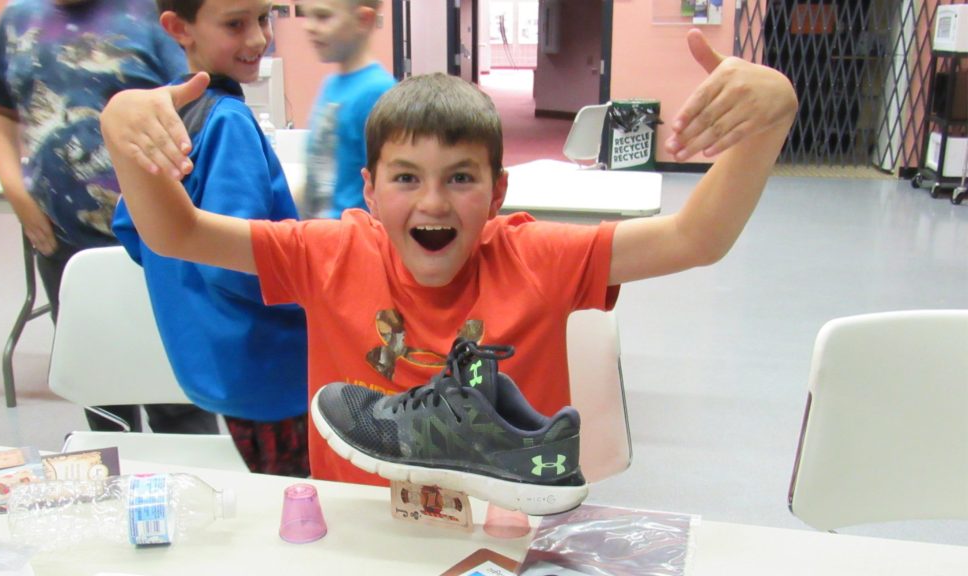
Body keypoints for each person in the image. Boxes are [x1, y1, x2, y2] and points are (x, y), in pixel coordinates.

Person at [99, 29, 798, 486]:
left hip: (508, 524)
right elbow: (177, 235)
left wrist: (772, 117)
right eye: (406, 178)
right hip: (360, 531)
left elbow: (694, 239)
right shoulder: (332, 253)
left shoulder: (536, 256)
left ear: (497, 192)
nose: (433, 203)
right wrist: (124, 129)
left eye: (460, 178)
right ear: (368, 190)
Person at [0, 0, 219, 435]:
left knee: (177, 399)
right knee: (103, 399)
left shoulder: (149, 18)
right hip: (64, 246)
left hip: (157, 249)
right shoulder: (18, 20)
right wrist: (18, 195)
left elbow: (197, 105)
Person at [111, 0, 310, 476]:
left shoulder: (166, 122)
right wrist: (318, 295)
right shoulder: (228, 121)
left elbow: (130, 227)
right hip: (269, 367)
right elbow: (239, 265)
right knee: (294, 499)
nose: (258, 39)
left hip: (210, 358)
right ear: (179, 28)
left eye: (263, 19)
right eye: (235, 24)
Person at [301, 0, 396, 219]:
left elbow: (389, 191)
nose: (309, 27)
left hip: (352, 243)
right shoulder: (331, 85)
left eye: (323, 16)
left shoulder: (377, 92)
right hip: (319, 239)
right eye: (307, 16)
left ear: (364, 20)